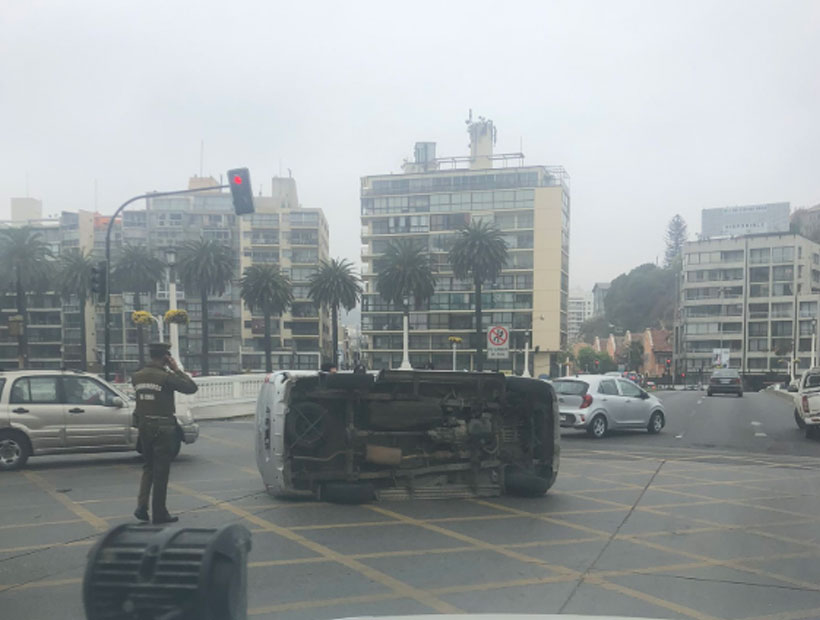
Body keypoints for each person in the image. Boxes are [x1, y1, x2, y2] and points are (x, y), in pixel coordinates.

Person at [133, 342, 198, 524]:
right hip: (163, 428)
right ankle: (159, 512)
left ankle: (142, 506)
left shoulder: (137, 376)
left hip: (144, 426)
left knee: (148, 467)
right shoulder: (166, 377)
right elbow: (191, 387)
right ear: (165, 357)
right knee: (161, 472)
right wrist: (176, 369)